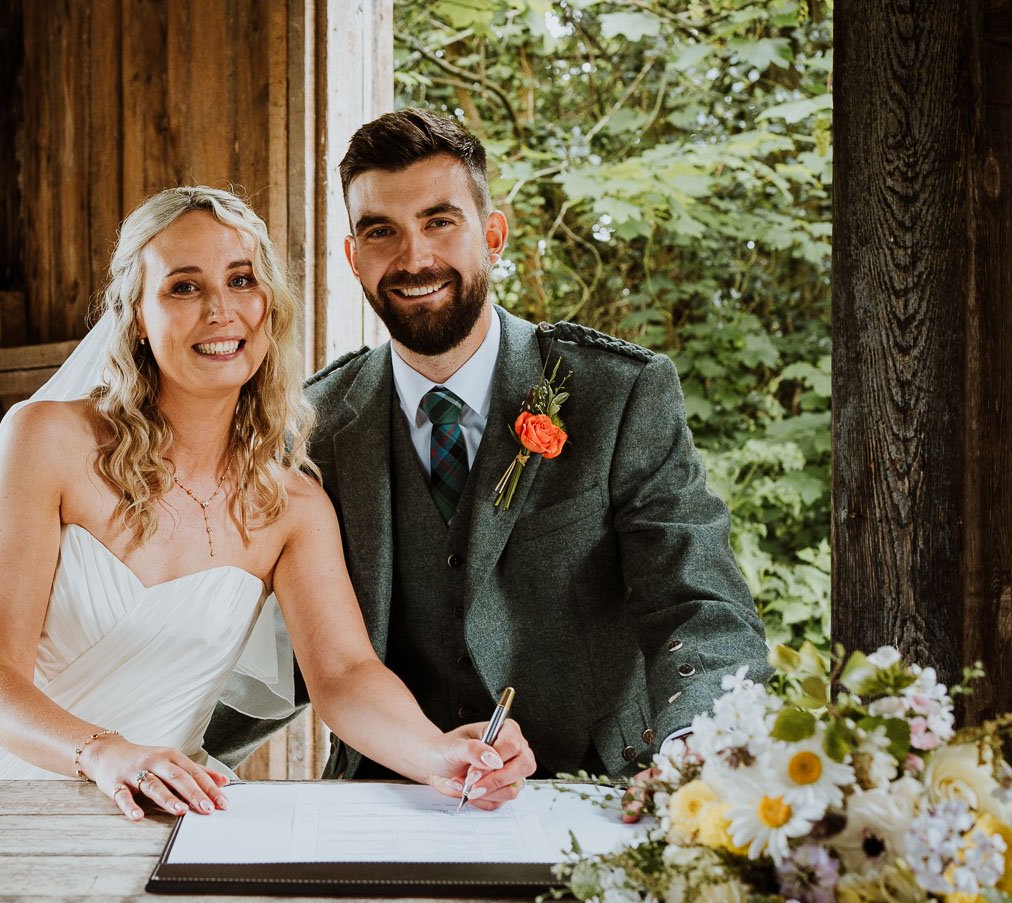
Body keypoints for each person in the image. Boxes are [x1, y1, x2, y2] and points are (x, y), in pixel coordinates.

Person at [0, 186, 537, 818]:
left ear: (269, 307)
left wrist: (438, 755)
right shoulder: (46, 440)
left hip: (156, 817)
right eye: (183, 286)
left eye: (242, 280)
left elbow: (346, 676)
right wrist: (105, 753)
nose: (220, 310)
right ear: (137, 317)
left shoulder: (291, 505)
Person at [205, 108, 770, 799]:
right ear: (354, 258)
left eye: (440, 221)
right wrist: (164, 749)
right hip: (382, 803)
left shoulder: (617, 395)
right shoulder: (310, 428)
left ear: (493, 235)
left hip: (596, 795)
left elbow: (697, 601)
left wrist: (695, 755)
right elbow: (288, 650)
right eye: (381, 231)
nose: (414, 258)